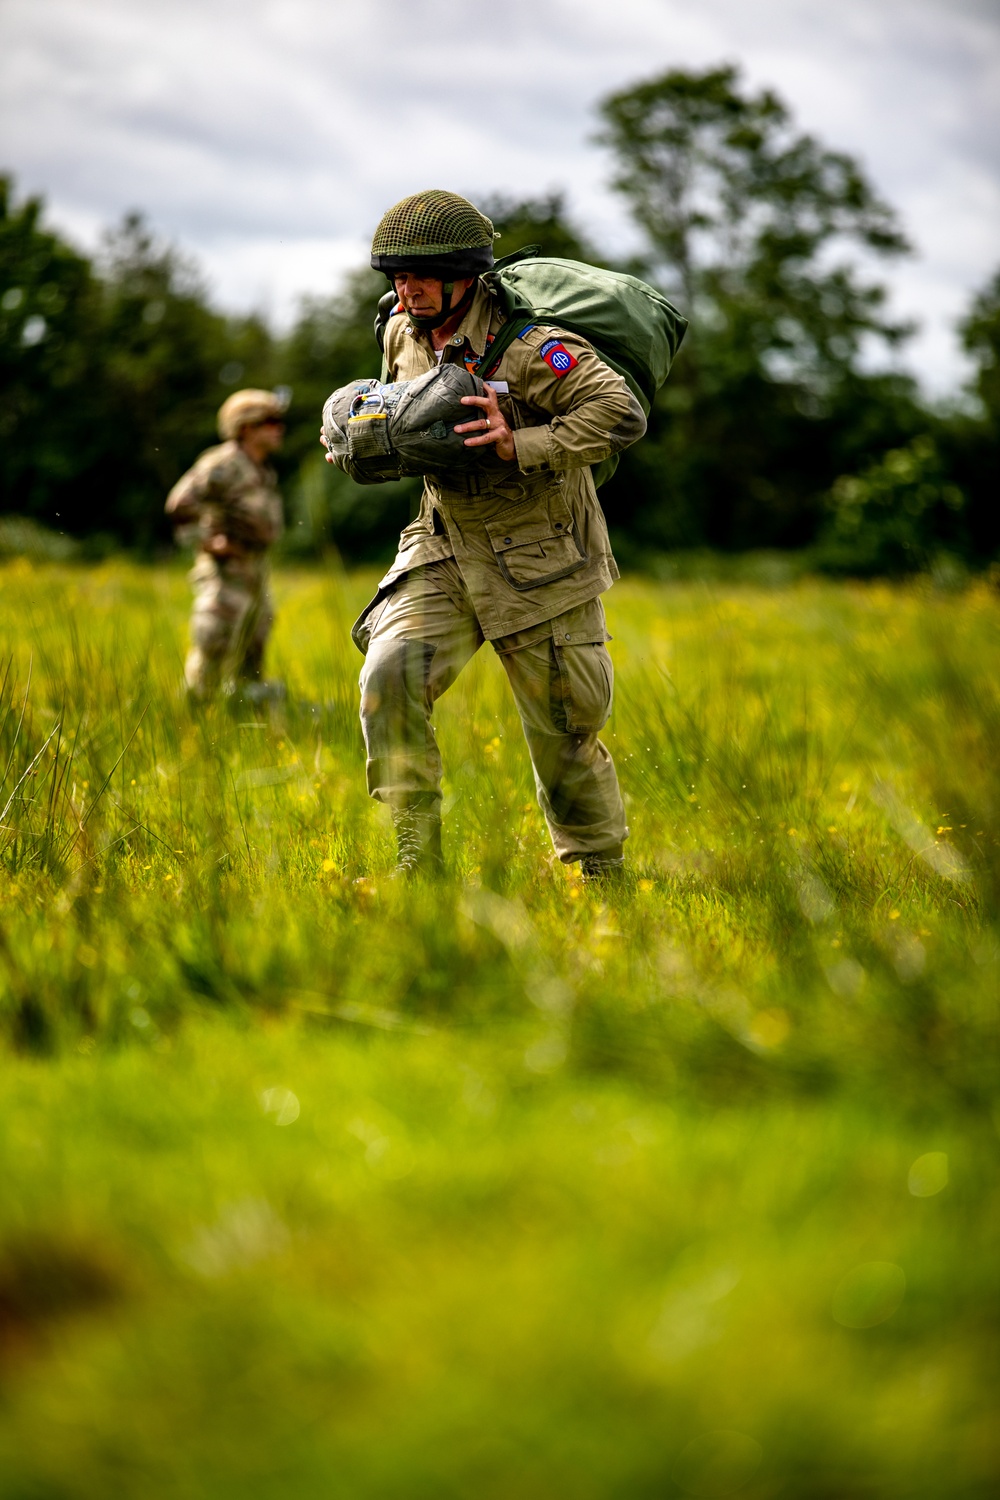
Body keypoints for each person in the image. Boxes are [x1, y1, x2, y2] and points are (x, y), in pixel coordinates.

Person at [332, 190, 647, 879]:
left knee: (564, 733)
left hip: (541, 555)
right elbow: (403, 411)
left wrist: (522, 442)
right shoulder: (400, 330)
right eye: (395, 277)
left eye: (418, 276)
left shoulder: (533, 346)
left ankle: (601, 882)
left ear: (463, 275)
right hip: (442, 544)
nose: (404, 289)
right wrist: (367, 441)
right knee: (388, 677)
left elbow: (619, 413)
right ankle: (417, 860)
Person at [166, 389, 287, 701]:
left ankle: (242, 713)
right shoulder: (222, 463)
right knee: (214, 647)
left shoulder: (261, 469)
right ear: (245, 427)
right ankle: (194, 719)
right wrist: (206, 543)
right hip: (226, 573)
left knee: (253, 650)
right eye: (270, 421)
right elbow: (180, 504)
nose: (279, 428)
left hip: (254, 572)